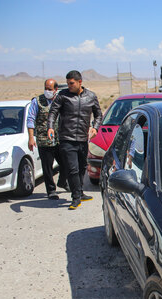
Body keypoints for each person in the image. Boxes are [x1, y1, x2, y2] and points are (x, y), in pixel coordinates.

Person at [47, 70, 102, 210]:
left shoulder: (91, 96)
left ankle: (80, 191)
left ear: (79, 82)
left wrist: (95, 127)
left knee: (83, 166)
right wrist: (50, 127)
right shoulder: (63, 96)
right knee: (73, 169)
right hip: (67, 138)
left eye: (71, 83)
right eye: (67, 83)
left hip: (83, 139)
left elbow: (98, 114)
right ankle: (75, 198)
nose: (69, 86)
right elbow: (53, 112)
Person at [27, 79, 67, 200]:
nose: (47, 91)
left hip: (60, 138)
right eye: (46, 88)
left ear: (55, 90)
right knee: (47, 167)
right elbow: (30, 119)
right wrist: (31, 138)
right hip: (44, 139)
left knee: (66, 163)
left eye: (50, 89)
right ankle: (51, 190)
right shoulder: (37, 101)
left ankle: (62, 181)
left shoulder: (60, 100)